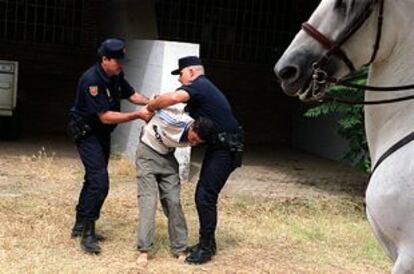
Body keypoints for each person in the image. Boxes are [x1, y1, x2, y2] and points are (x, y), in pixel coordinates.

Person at [146, 56, 244, 264]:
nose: (180, 80)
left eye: (180, 74)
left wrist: (152, 105)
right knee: (204, 194)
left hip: (226, 149)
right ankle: (208, 243)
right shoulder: (203, 89)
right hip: (220, 147)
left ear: (191, 72)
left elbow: (173, 99)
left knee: (205, 196)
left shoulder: (199, 85)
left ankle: (206, 248)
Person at [68, 38, 153, 254]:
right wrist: (138, 115)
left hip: (101, 133)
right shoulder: (92, 81)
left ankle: (80, 224)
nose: (121, 64)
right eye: (117, 60)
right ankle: (87, 234)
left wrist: (152, 103)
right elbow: (105, 117)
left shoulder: (115, 75)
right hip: (88, 133)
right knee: (99, 182)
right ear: (105, 59)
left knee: (92, 179)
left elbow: (131, 94)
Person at [136, 107, 216, 265]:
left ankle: (180, 248)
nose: (194, 143)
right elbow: (155, 103)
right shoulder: (175, 120)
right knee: (148, 202)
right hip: (147, 154)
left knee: (173, 201)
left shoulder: (197, 135)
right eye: (194, 138)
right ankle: (144, 250)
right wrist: (147, 120)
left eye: (199, 142)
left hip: (167, 157)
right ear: (192, 127)